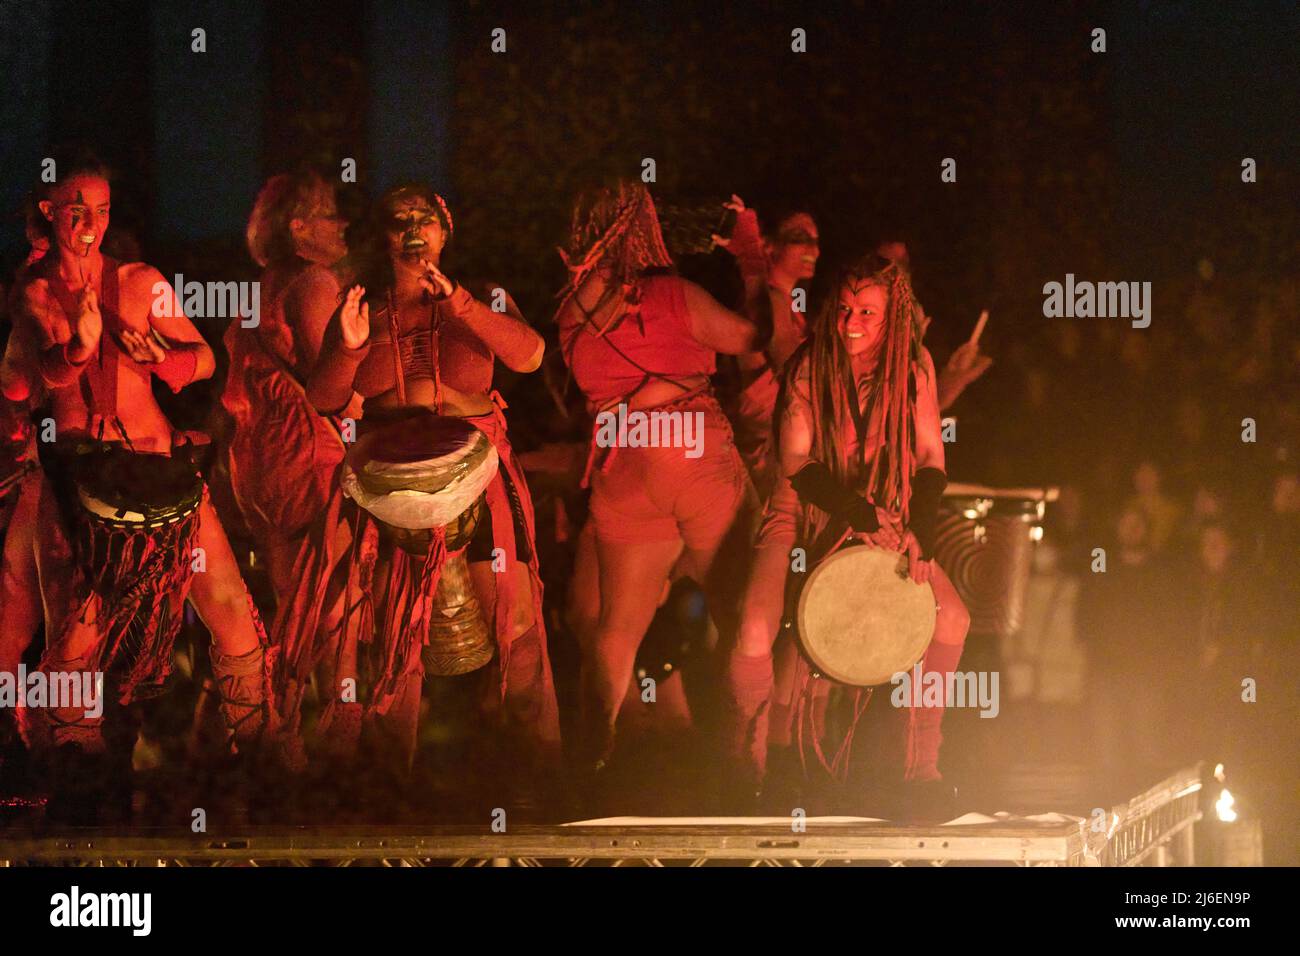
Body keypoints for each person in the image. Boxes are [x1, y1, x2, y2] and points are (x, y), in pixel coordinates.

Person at [10, 150, 270, 801]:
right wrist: (76, 345)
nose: (90, 222)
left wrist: (167, 356)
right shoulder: (36, 291)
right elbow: (36, 378)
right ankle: (79, 772)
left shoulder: (141, 281)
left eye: (100, 210)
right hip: (78, 482)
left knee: (232, 609)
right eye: (76, 209)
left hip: (160, 473)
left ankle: (259, 758)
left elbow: (206, 360)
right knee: (75, 632)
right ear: (48, 210)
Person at [306, 183, 560, 798]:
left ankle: (541, 782)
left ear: (446, 233)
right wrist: (348, 346)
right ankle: (391, 793)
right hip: (393, 480)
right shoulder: (358, 303)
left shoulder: (487, 296)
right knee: (395, 634)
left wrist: (464, 307)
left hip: (480, 468)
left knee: (515, 618)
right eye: (400, 221)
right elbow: (322, 400)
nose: (414, 229)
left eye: (427, 219)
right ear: (384, 236)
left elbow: (529, 356)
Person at [728, 252, 970, 817]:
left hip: (889, 503)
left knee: (953, 618)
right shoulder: (812, 365)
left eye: (867, 312)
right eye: (842, 310)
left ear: (895, 319)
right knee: (759, 629)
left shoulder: (915, 365)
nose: (851, 323)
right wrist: (855, 515)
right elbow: (794, 460)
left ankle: (920, 770)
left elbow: (931, 454)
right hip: (807, 504)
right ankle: (754, 769)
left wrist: (921, 531)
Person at [553, 181, 771, 781]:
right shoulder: (673, 296)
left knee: (616, 630)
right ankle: (747, 764)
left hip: (623, 465)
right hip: (689, 449)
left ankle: (590, 761)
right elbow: (757, 340)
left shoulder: (571, 312)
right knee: (737, 609)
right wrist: (752, 266)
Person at [221, 167, 359, 767]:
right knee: (335, 607)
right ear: (299, 226)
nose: (345, 223)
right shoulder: (312, 282)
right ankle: (341, 746)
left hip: (258, 462)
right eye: (332, 212)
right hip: (310, 458)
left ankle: (281, 740)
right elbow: (326, 383)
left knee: (289, 600)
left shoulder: (258, 289)